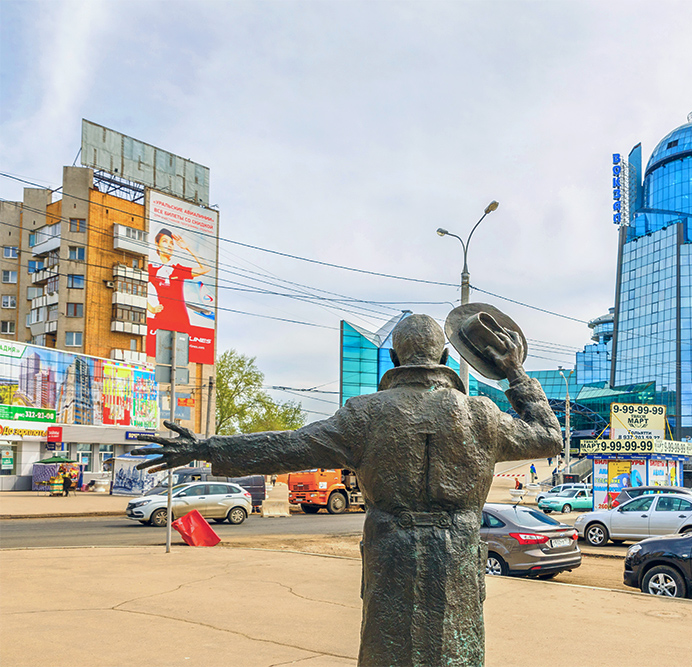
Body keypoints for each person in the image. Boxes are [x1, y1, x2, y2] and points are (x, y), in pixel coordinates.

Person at [131, 310, 561, 666]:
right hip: (457, 561)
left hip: (392, 555)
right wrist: (513, 371)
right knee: (456, 649)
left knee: (388, 649)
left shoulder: (365, 415)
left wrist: (205, 447)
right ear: (445, 357)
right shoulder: (482, 415)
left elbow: (286, 446)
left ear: (394, 356)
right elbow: (548, 435)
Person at [147, 228, 210, 335]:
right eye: (165, 241)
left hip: (182, 321)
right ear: (157, 244)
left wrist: (188, 248)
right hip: (162, 320)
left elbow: (205, 268)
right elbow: (135, 286)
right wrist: (151, 309)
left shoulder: (178, 269)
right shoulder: (151, 268)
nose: (169, 245)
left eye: (172, 243)